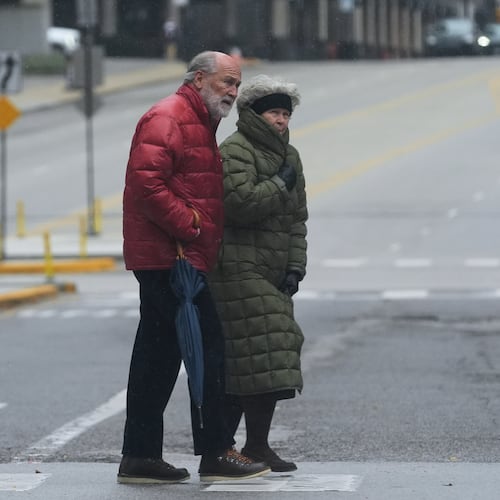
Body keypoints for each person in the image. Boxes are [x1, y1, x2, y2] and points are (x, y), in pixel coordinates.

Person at [119, 51, 271, 484]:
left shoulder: (197, 120)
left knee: (157, 358)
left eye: (237, 85)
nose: (233, 92)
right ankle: (216, 450)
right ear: (200, 78)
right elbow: (146, 182)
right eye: (227, 83)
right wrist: (190, 224)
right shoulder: (170, 116)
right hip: (173, 258)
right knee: (208, 351)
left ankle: (140, 456)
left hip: (174, 256)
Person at [209, 74, 308, 472]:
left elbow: (297, 218)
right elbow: (241, 204)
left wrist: (296, 266)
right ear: (254, 114)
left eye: (285, 113)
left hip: (272, 268)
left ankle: (255, 445)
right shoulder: (235, 151)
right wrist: (279, 184)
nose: (281, 120)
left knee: (264, 355)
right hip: (236, 267)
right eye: (273, 113)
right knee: (266, 346)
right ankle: (234, 446)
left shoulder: (291, 156)